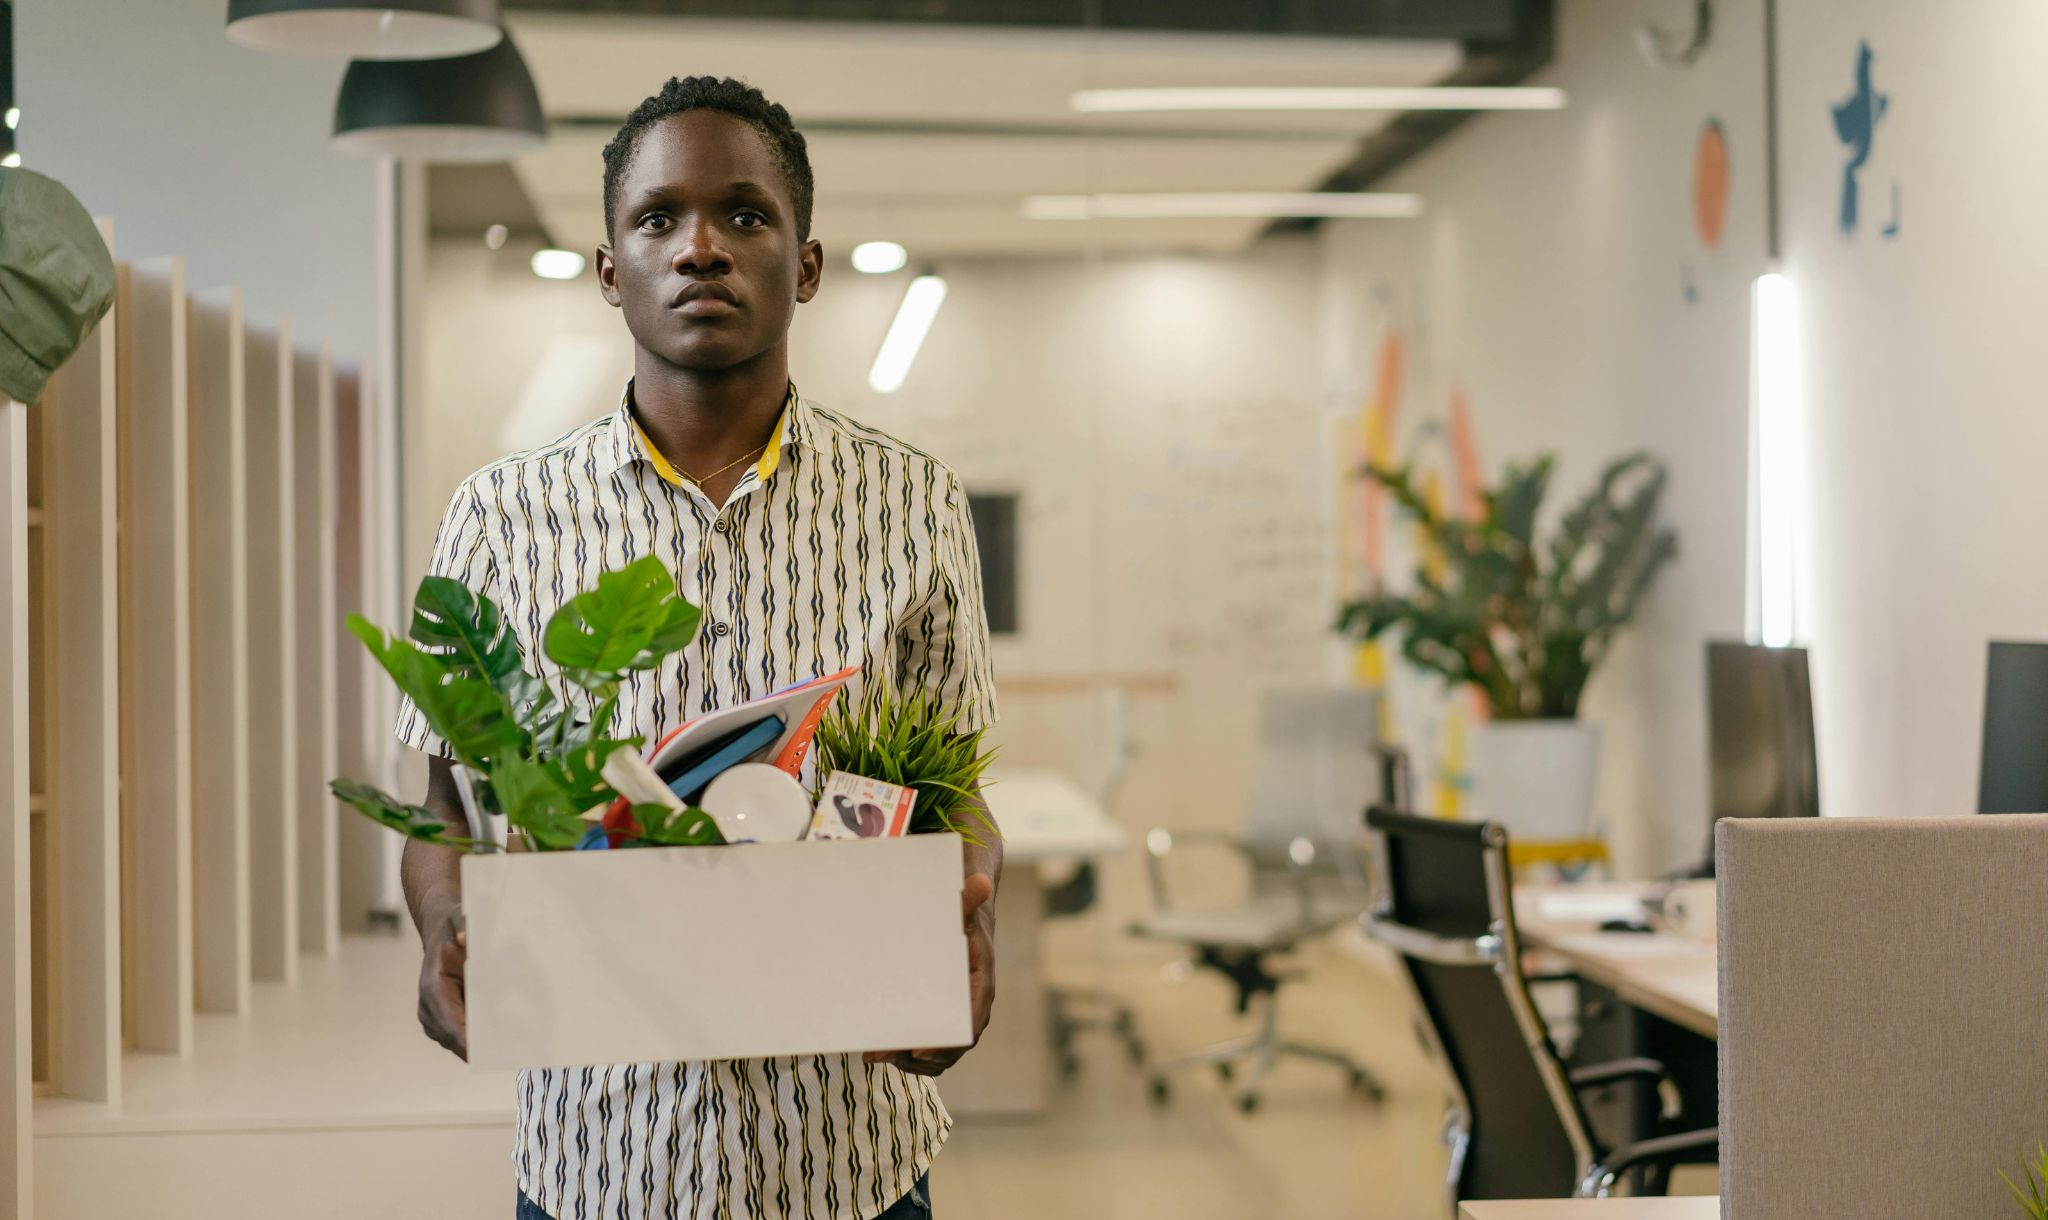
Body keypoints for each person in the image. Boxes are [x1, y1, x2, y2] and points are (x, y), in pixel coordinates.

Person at [392, 76, 1001, 1220]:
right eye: (659, 219)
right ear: (610, 270)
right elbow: (440, 803)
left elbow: (958, 793)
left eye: (745, 215)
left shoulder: (914, 504)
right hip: (596, 1155)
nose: (702, 249)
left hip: (850, 1156)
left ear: (804, 265)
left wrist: (971, 923)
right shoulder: (501, 514)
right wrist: (438, 931)